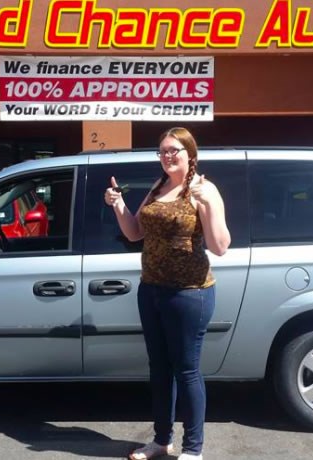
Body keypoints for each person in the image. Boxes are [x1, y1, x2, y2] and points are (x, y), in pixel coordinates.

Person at [104, 127, 231, 460]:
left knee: (186, 370)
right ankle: (161, 441)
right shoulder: (158, 187)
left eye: (174, 150)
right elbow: (135, 233)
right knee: (159, 369)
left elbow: (220, 246)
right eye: (162, 151)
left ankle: (193, 448)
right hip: (152, 289)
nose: (168, 156)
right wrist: (118, 205)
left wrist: (208, 206)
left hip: (189, 293)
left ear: (190, 153)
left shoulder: (204, 189)